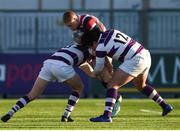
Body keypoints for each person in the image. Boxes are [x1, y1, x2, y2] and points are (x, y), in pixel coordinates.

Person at [81, 29, 173, 122]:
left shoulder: (100, 47)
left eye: (91, 46)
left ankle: (106, 116)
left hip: (136, 59)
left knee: (112, 85)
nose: (93, 49)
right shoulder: (111, 31)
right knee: (141, 86)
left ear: (93, 42)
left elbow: (99, 67)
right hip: (145, 54)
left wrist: (93, 74)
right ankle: (165, 106)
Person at [1, 43, 106, 123]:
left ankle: (10, 112)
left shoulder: (74, 47)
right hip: (61, 65)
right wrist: (105, 77)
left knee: (32, 94)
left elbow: (90, 72)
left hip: (48, 63)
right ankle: (66, 115)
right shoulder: (90, 50)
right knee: (79, 88)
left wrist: (98, 75)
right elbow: (95, 66)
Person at [60, 10, 122, 117]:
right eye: (68, 26)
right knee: (100, 75)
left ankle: (115, 99)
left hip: (104, 46)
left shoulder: (88, 22)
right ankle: (115, 96)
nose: (70, 28)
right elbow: (86, 41)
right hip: (95, 48)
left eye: (71, 25)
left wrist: (98, 56)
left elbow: (100, 39)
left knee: (105, 75)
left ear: (75, 19)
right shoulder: (78, 28)